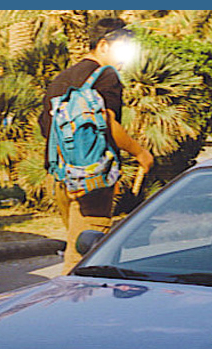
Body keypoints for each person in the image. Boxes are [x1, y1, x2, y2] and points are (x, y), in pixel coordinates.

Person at [38, 17, 154, 274]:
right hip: (93, 178)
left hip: (61, 176)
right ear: (103, 45)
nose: (126, 58)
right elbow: (109, 121)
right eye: (122, 49)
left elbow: (45, 124)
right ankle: (75, 308)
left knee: (75, 243)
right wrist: (140, 152)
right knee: (84, 255)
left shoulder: (63, 78)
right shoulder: (106, 75)